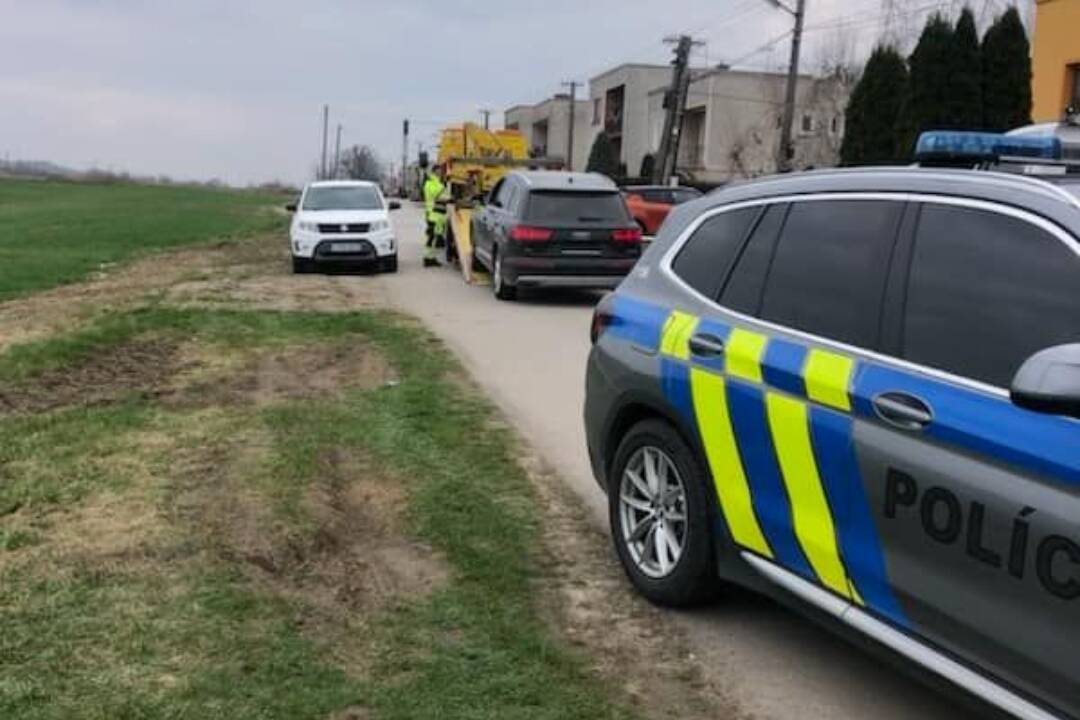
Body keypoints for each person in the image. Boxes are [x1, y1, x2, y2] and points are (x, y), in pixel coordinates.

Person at [422, 166, 448, 268]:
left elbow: (443, 196)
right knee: (432, 238)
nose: (440, 173)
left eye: (440, 171)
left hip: (438, 215)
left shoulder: (437, 182)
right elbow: (435, 193)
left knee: (435, 238)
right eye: (438, 171)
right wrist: (443, 187)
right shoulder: (430, 183)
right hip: (433, 215)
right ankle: (427, 258)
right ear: (434, 172)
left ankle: (431, 258)